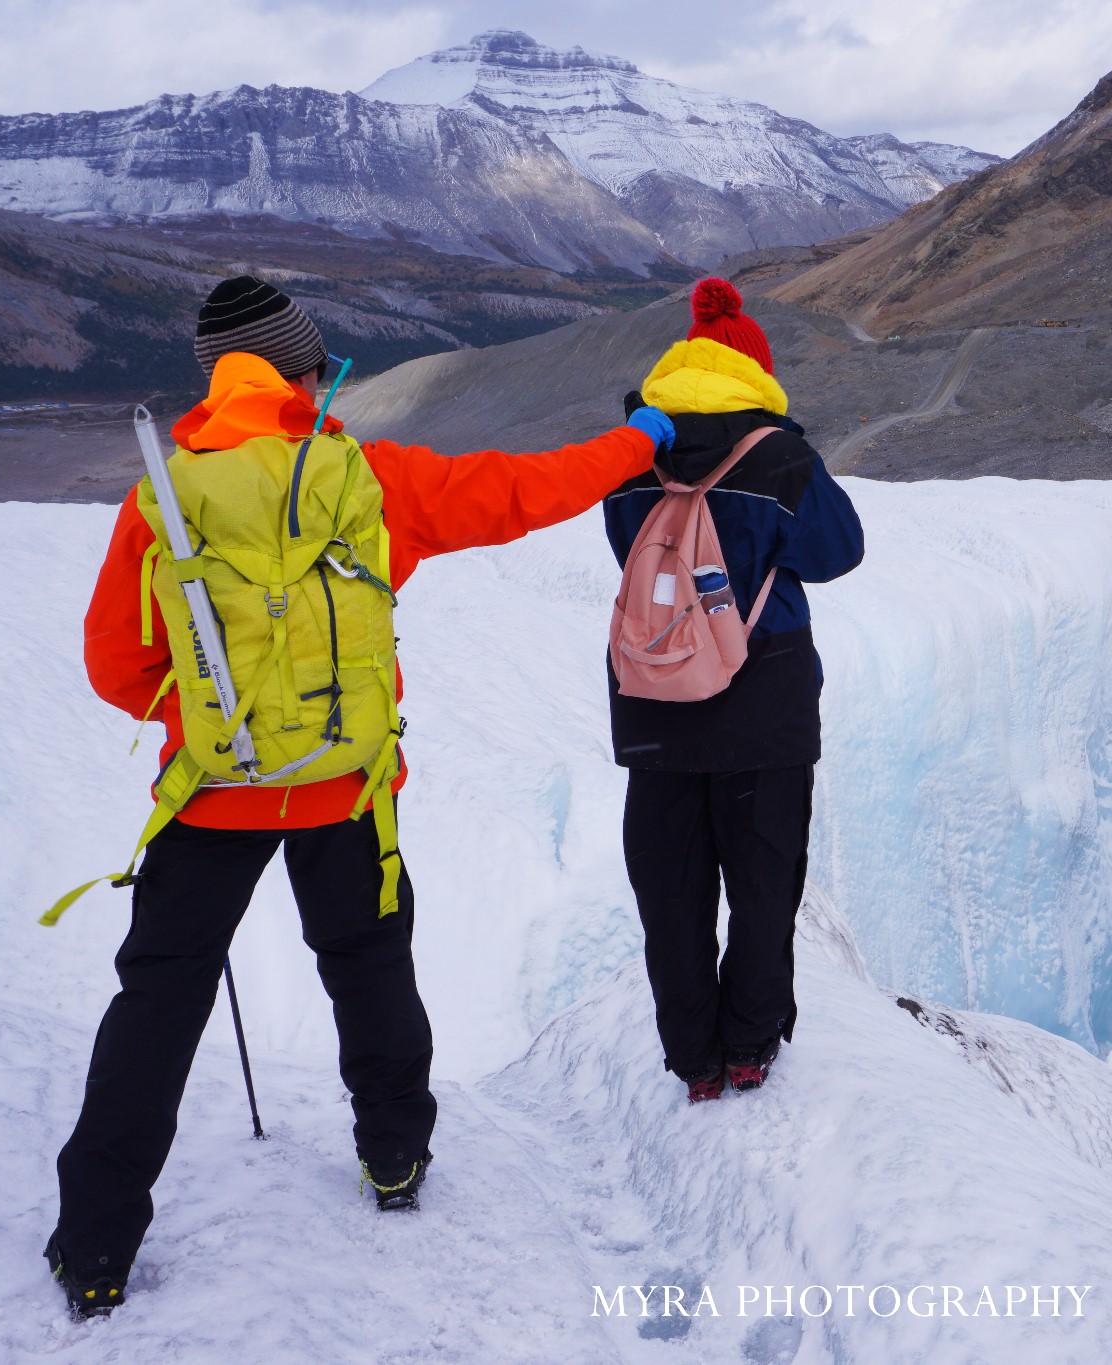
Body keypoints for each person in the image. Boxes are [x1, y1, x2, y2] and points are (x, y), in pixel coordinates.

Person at [46, 275, 675, 1318]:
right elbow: (529, 490)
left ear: (215, 380)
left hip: (211, 794)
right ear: (304, 374)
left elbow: (117, 665)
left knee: (158, 1002)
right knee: (370, 969)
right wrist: (640, 441)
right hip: (347, 789)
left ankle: (95, 1248)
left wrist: (210, 715)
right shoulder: (368, 478)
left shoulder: (166, 493)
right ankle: (393, 1158)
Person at [604, 277, 864, 1104]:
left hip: (657, 698)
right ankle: (749, 1046)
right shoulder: (779, 454)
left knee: (671, 888)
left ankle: (695, 1060)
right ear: (753, 370)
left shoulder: (633, 451)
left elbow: (624, 540)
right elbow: (838, 549)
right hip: (765, 701)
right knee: (761, 883)